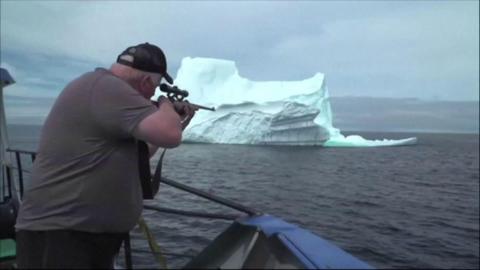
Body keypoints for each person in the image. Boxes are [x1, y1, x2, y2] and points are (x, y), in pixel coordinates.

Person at [15, 43, 197, 268]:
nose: (153, 92)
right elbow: (170, 135)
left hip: (79, 235)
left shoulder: (104, 90)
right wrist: (165, 104)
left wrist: (175, 120)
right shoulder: (106, 87)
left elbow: (139, 154)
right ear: (146, 82)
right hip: (63, 236)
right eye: (156, 87)